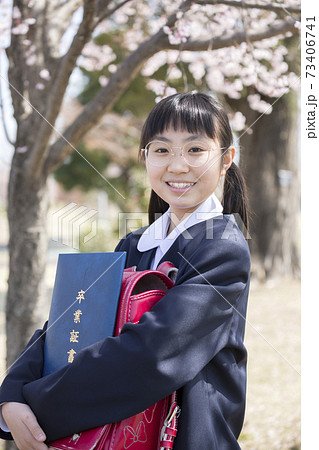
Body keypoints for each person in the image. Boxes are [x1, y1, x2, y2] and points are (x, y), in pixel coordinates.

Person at [0, 91, 251, 449]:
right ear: (145, 158)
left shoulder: (222, 248)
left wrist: (38, 404)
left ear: (226, 159)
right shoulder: (134, 244)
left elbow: (152, 355)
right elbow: (75, 319)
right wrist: (12, 395)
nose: (177, 166)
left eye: (195, 150)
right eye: (161, 150)